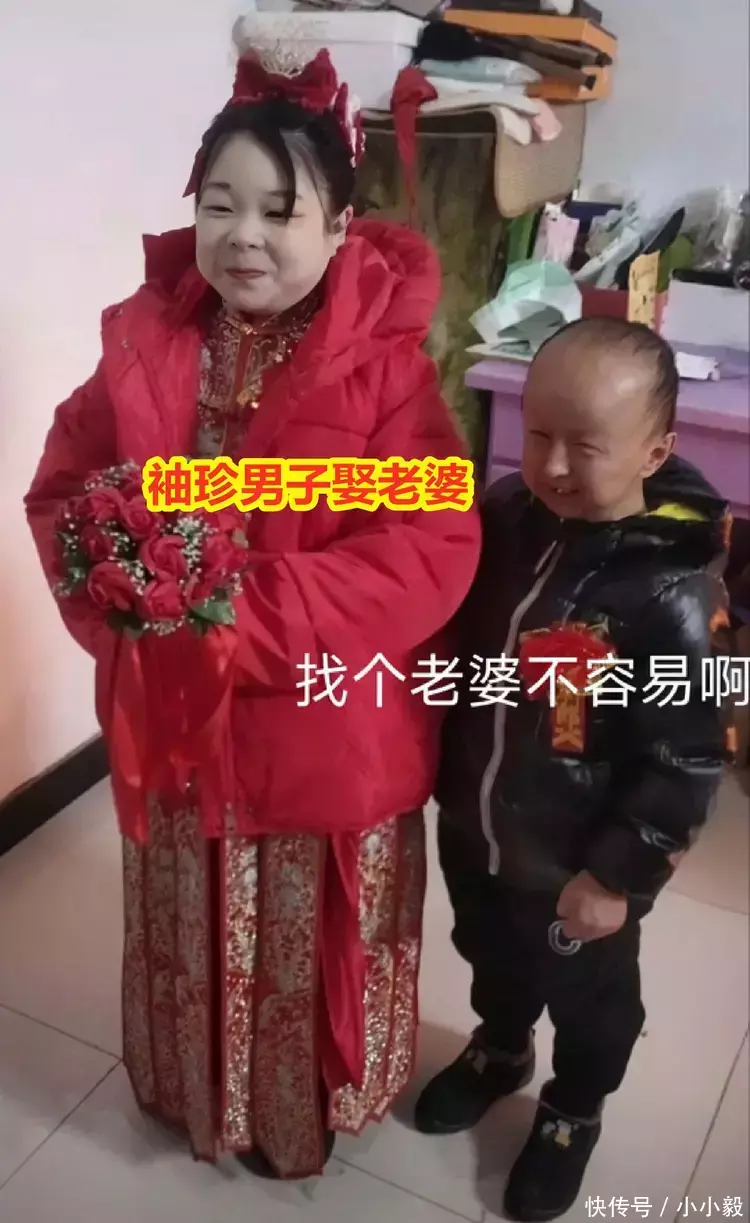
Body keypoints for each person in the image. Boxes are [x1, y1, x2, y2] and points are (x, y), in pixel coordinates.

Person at [24, 34, 480, 1179]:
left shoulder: (387, 370)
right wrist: (122, 598)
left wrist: (228, 610)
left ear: (341, 225)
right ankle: (190, 1089)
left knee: (298, 929)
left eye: (282, 211)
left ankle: (291, 1115)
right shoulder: (147, 342)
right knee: (187, 906)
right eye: (220, 205)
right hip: (177, 716)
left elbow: (430, 542)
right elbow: (66, 491)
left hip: (321, 719)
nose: (245, 235)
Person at [415, 317, 729, 1221]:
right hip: (479, 827)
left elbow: (691, 754)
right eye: (538, 432)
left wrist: (617, 876)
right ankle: (502, 1047)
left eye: (584, 446)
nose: (551, 464)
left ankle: (572, 1106)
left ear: (654, 451)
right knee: (490, 954)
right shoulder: (508, 518)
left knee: (591, 1001)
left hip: (580, 863)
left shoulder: (677, 594)